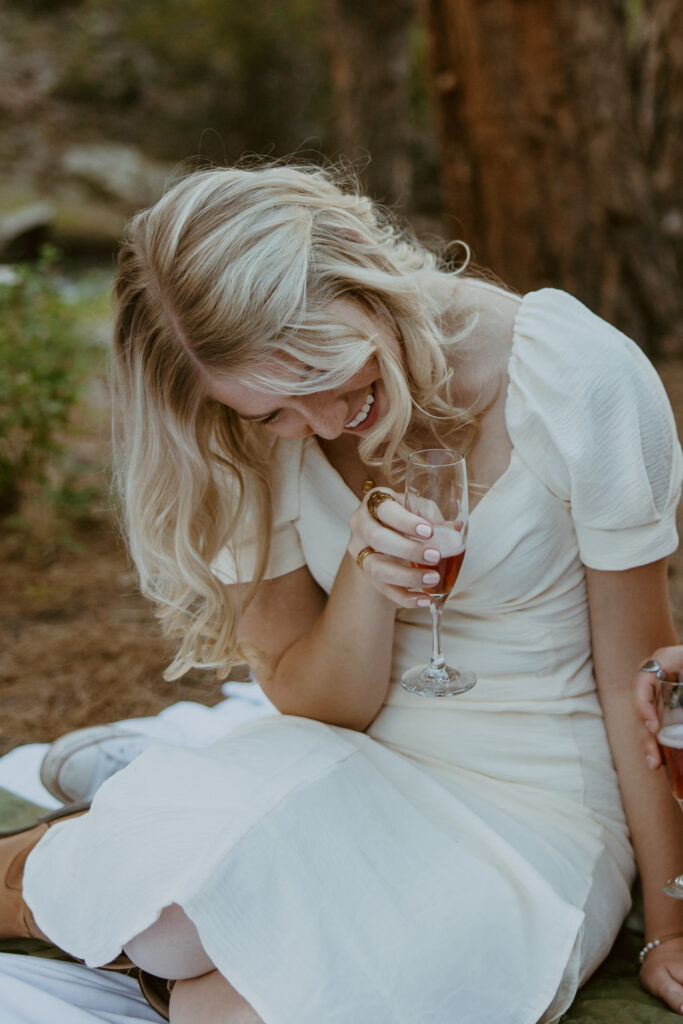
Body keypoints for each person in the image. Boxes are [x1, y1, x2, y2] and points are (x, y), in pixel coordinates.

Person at [2, 161, 683, 1024]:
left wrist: (670, 920)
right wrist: (365, 583)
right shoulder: (237, 434)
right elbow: (317, 705)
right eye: (274, 412)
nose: (320, 426)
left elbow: (646, 685)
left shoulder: (574, 378)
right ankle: (60, 861)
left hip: (539, 807)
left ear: (358, 262)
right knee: (167, 919)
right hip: (344, 757)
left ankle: (143, 829)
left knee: (238, 1010)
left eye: (320, 375)